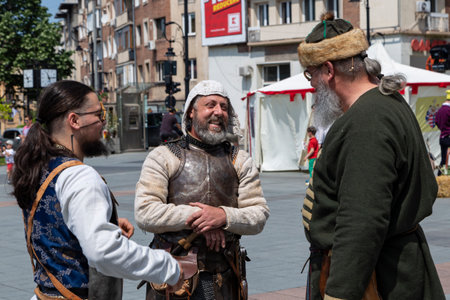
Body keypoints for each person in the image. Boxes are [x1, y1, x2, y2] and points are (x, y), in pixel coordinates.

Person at [298, 13, 445, 300]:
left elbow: (361, 221)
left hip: (379, 281)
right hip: (388, 269)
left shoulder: (367, 120)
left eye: (311, 75)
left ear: (328, 70)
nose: (312, 85)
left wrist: (339, 294)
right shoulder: (383, 103)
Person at [12, 80, 183, 300]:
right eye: (99, 114)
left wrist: (100, 221)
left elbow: (53, 226)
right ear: (74, 120)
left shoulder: (39, 167)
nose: (103, 122)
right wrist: (168, 267)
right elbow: (104, 252)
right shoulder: (80, 176)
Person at [135, 80, 270, 299]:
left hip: (224, 273)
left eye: (224, 107)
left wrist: (223, 216)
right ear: (191, 112)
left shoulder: (240, 160)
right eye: (211, 105)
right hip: (173, 276)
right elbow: (145, 213)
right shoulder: (163, 156)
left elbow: (258, 215)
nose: (219, 112)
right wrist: (203, 217)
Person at [435, 90, 450, 175]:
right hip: (448, 137)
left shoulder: (440, 110)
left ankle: (440, 176)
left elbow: (436, 122)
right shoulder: (448, 110)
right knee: (446, 159)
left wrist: (443, 129)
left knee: (444, 159)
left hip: (442, 137)